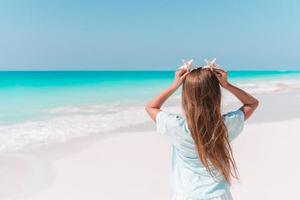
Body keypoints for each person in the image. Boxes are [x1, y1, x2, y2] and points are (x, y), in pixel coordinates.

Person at [145, 65, 259, 200]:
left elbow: (151, 107)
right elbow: (251, 103)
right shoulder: (223, 126)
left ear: (186, 98)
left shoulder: (176, 127)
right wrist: (226, 85)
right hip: (218, 196)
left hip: (185, 196)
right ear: (216, 96)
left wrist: (175, 85)